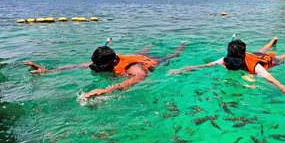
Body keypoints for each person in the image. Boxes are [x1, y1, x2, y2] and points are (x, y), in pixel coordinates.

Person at [168, 38, 285, 112]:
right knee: (261, 50)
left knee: (282, 57)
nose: (231, 66)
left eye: (235, 63)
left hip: (265, 61)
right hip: (253, 55)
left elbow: (277, 83)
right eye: (229, 61)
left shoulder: (256, 67)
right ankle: (272, 42)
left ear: (242, 58)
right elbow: (204, 66)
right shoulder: (225, 60)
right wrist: (182, 69)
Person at [24, 42, 187, 99]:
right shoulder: (104, 62)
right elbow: (78, 66)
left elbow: (137, 78)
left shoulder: (132, 68)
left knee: (173, 55)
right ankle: (147, 48)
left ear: (114, 62)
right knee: (142, 52)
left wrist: (107, 90)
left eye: (103, 67)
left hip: (152, 62)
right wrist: (49, 71)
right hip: (135, 56)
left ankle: (182, 46)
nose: (99, 70)